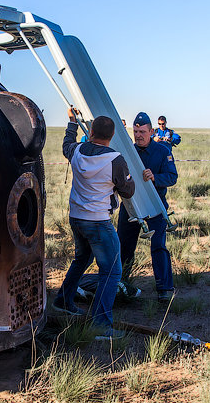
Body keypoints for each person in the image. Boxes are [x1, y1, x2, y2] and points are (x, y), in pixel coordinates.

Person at [52, 109, 135, 339]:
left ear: (89, 132)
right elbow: (127, 190)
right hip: (98, 222)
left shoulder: (77, 151)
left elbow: (67, 144)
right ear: (112, 136)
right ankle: (100, 324)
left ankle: (63, 301)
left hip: (76, 218)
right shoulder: (114, 159)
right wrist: (133, 180)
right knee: (112, 271)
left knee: (83, 258)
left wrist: (71, 122)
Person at [118, 112, 178, 302]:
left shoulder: (162, 151)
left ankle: (164, 289)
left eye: (142, 132)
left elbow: (172, 177)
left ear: (151, 131)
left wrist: (155, 178)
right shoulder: (127, 151)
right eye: (135, 131)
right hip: (131, 207)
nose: (138, 135)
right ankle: (121, 283)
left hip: (155, 206)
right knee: (124, 247)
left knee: (158, 246)